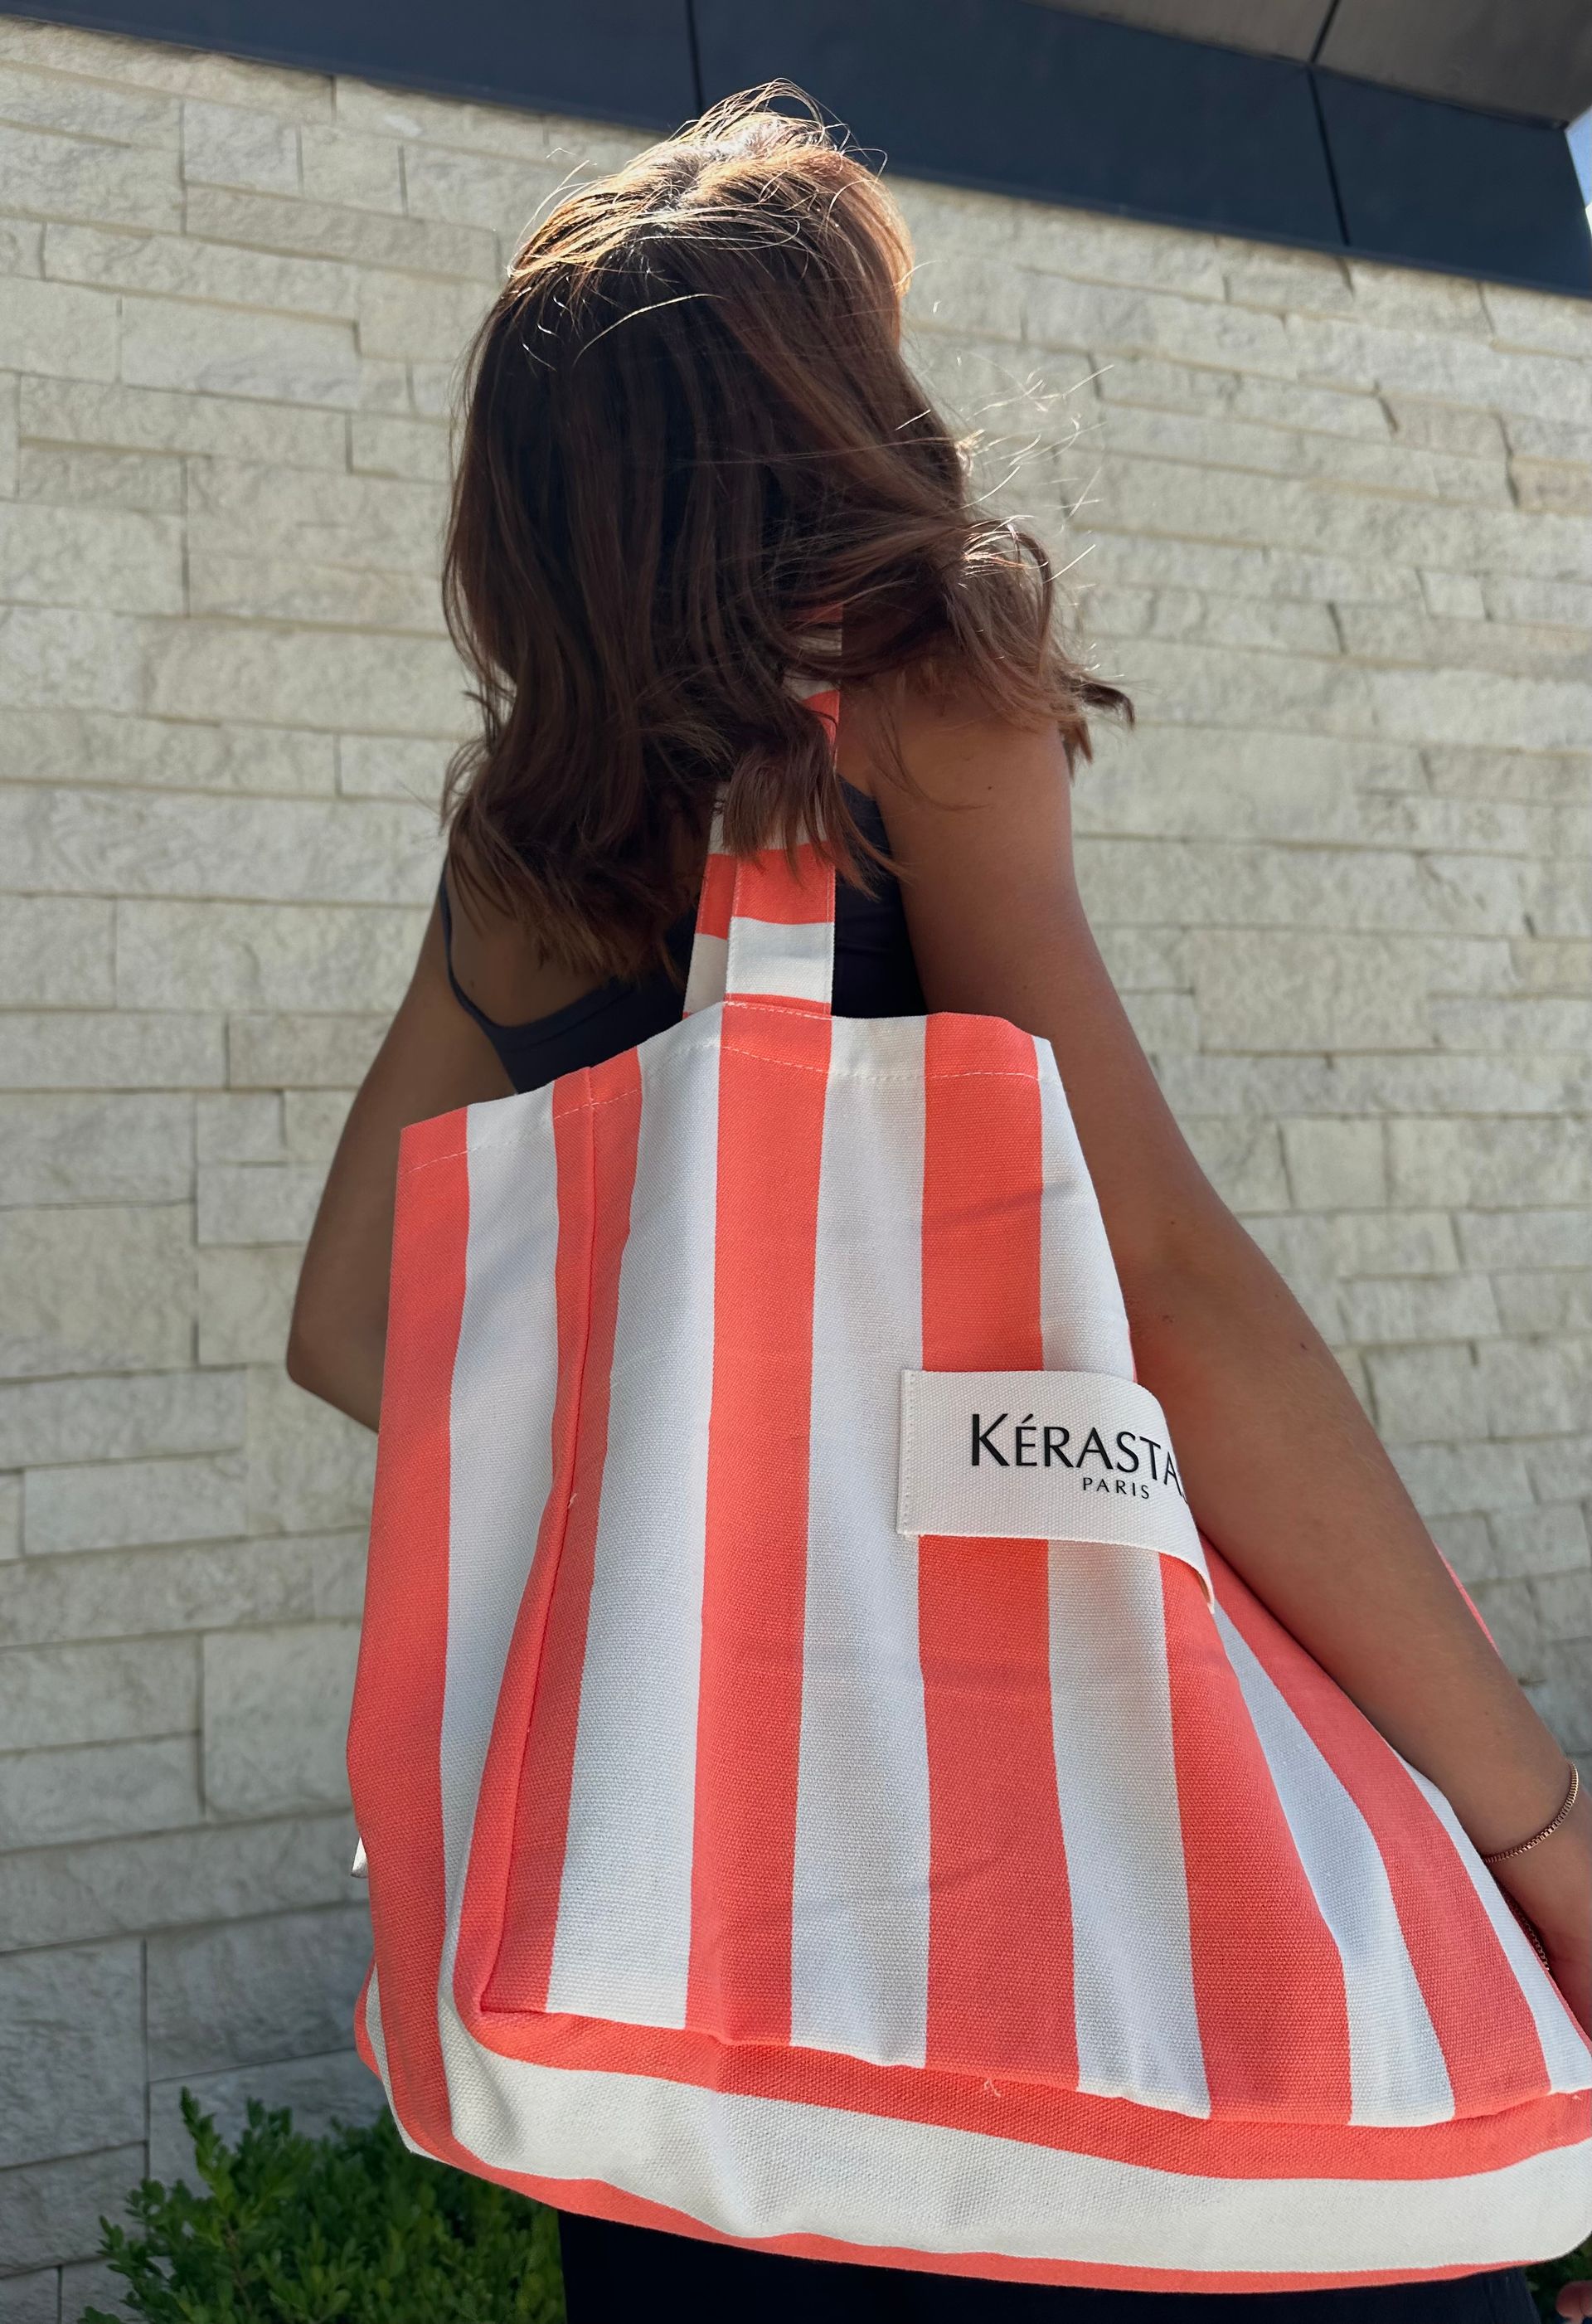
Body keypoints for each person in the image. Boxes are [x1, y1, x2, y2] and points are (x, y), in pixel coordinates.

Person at [288, 88, 1590, 2323]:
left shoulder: (528, 856)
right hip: (1062, 2050)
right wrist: (1540, 1833)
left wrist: (730, 1445)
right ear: (833, 420)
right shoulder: (920, 704)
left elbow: (352, 1320)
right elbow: (1160, 1279)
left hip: (712, 2066)